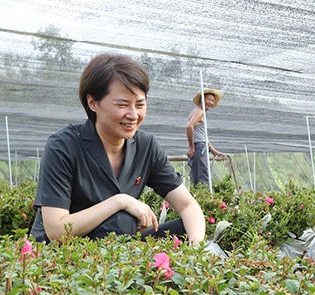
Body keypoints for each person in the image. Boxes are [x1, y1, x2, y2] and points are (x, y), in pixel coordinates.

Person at [30, 53, 205, 244]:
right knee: (121, 219)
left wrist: (195, 250)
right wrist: (120, 201)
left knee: (184, 229)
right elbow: (56, 230)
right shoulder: (63, 146)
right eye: (122, 104)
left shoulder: (145, 146)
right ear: (93, 103)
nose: (133, 115)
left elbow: (188, 205)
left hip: (119, 246)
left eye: (140, 104)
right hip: (65, 251)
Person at [186, 88, 224, 186]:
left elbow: (203, 136)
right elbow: (189, 126)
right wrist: (191, 146)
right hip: (199, 147)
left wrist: (213, 151)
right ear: (202, 100)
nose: (211, 102)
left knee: (197, 178)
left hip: (200, 146)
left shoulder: (198, 111)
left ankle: (197, 199)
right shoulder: (199, 111)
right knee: (203, 179)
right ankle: (205, 199)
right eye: (209, 99)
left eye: (212, 100)